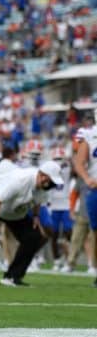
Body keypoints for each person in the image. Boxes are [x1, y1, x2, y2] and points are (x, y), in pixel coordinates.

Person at [72, 116, 97, 287]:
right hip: (95, 189)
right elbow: (79, 163)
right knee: (95, 233)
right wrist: (87, 179)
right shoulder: (89, 135)